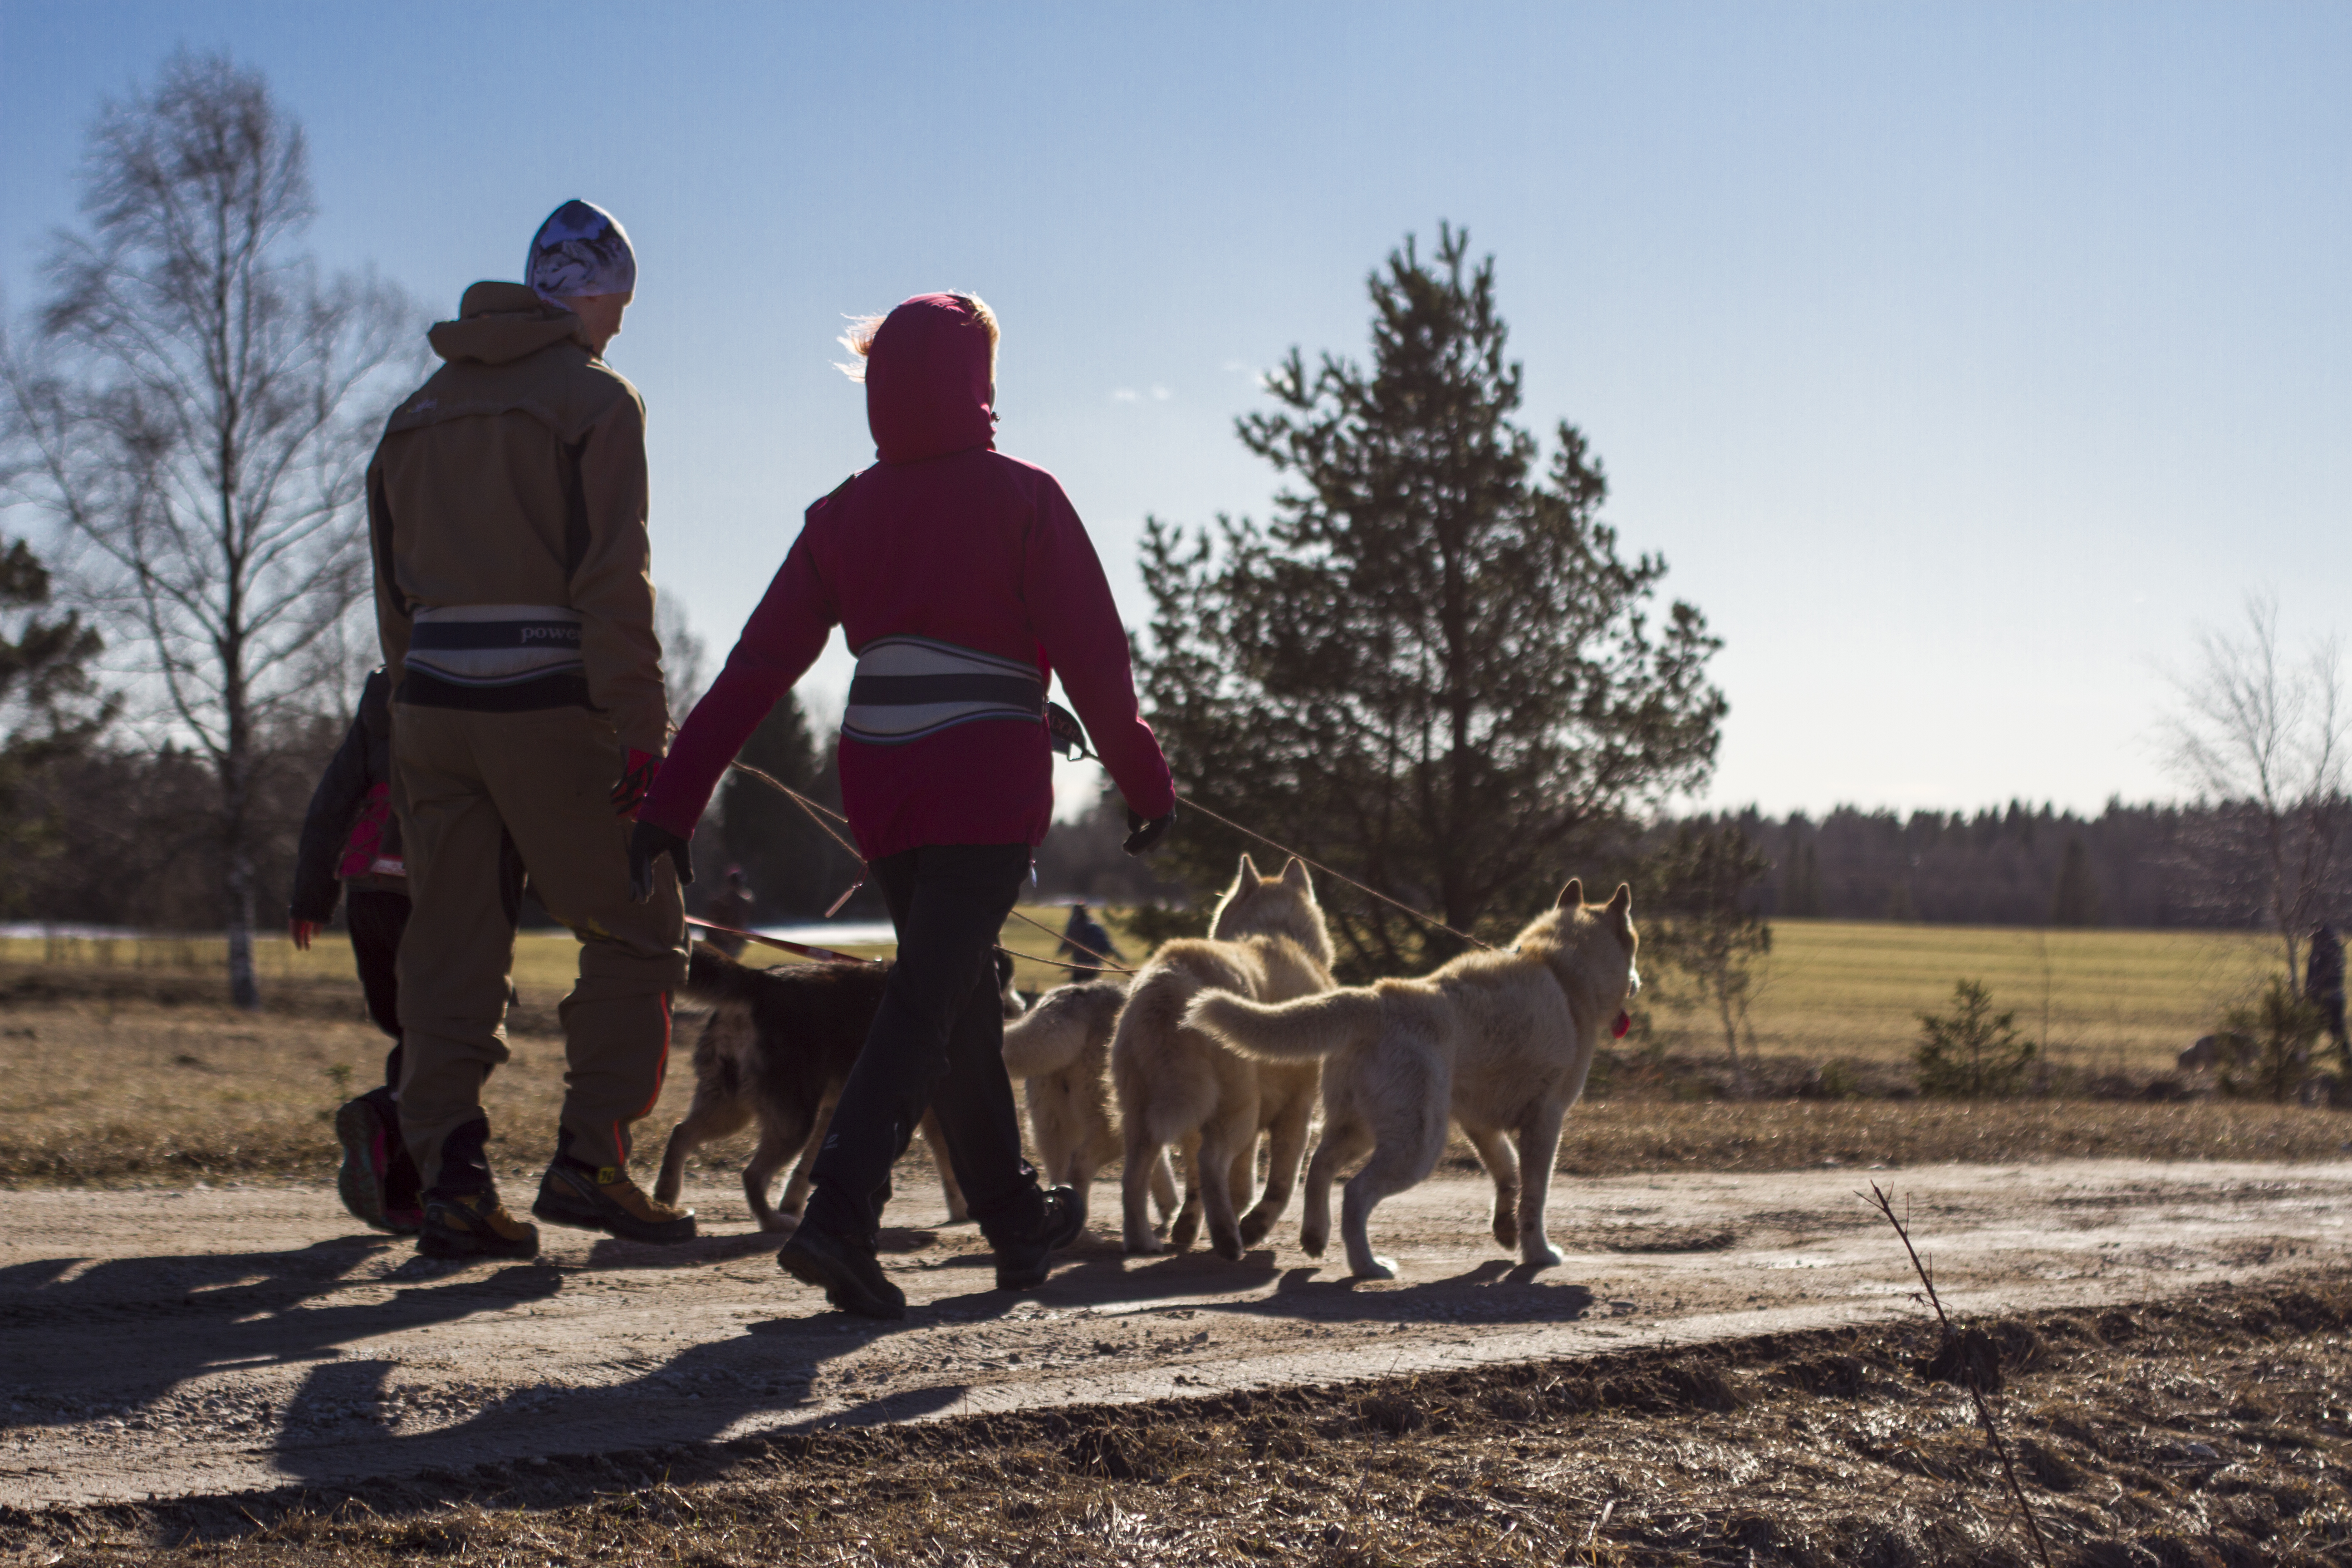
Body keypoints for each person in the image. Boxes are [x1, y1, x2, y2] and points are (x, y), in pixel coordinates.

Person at [632, 293, 1176, 1318]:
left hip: (880, 780)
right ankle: (841, 1209)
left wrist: (670, 804)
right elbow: (1101, 665)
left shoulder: (842, 515)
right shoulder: (1025, 499)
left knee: (958, 992)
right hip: (981, 790)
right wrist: (1145, 785)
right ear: (980, 383)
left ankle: (1015, 1217)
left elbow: (751, 673)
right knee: (926, 997)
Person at [365, 199, 694, 1260]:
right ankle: (591, 1158)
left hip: (430, 710)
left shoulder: (414, 413)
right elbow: (611, 581)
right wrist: (644, 736)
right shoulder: (595, 399)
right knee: (639, 924)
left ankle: (452, 1180)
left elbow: (390, 593)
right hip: (548, 703)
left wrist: (413, 702)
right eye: (621, 302)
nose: (621, 324)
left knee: (450, 943)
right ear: (588, 295)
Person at [289, 666, 529, 1237]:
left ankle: (403, 1186)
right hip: (436, 886)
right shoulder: (494, 676)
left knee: (421, 1034)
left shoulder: (388, 686)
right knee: (467, 1028)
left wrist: (312, 896)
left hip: (368, 888)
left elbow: (334, 796)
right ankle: (386, 1114)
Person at [1056, 900, 1123, 981]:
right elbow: (1106, 945)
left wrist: (1060, 951)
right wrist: (1120, 957)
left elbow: (1065, 946)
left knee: (1078, 990)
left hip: (1081, 968)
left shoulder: (1076, 927)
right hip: (1095, 967)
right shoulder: (1096, 926)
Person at [2307, 923, 2347, 1058]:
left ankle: (2299, 1063)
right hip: (2337, 996)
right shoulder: (2337, 949)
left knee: (2307, 1032)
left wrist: (2312, 992)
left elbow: (2318, 975)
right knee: (2338, 1032)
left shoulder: (2321, 950)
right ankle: (2347, 1065)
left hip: (2323, 998)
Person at [704, 867, 756, 957]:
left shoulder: (745, 902)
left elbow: (742, 923)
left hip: (733, 943)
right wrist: (730, 940)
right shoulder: (720, 902)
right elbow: (714, 927)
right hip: (719, 943)